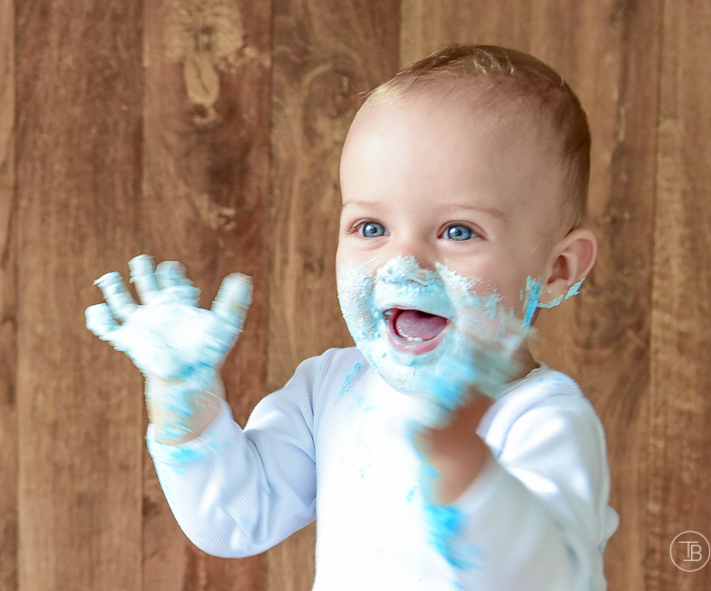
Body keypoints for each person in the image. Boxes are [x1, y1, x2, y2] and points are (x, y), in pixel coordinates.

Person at [86, 44, 619, 591]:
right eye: (370, 228)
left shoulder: (543, 422)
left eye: (458, 231)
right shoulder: (329, 392)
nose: (403, 263)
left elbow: (553, 576)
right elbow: (231, 522)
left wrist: (465, 466)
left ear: (556, 269)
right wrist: (183, 399)